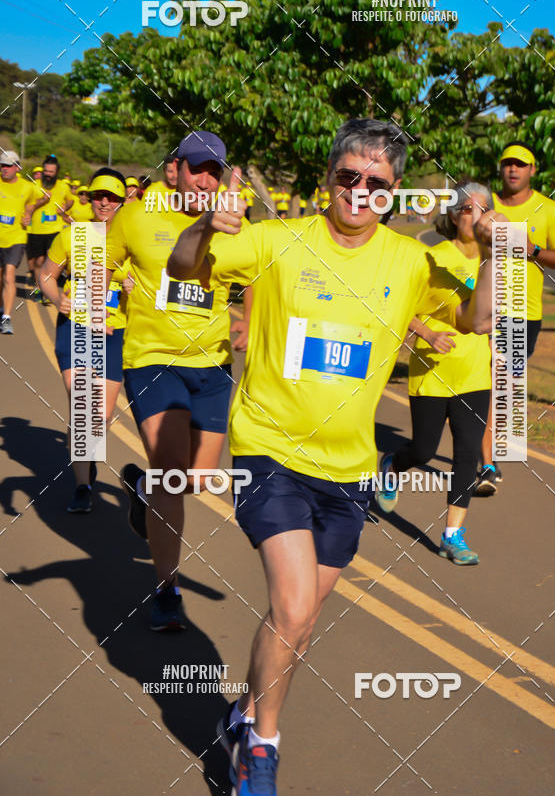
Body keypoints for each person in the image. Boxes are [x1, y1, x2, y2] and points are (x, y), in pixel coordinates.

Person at [168, 118, 501, 796]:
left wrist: (497, 255)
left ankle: (241, 714)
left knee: (299, 622)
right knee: (291, 608)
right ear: (328, 177)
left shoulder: (411, 263)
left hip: (350, 469)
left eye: (375, 183)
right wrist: (206, 227)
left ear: (393, 191)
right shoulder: (276, 239)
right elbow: (182, 266)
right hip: (269, 451)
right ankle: (262, 750)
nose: (359, 190)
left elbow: (481, 320)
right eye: (347, 176)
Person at [105, 131, 239, 632]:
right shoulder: (136, 216)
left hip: (214, 366)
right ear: (174, 170)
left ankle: (140, 490)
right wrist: (102, 297)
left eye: (215, 171)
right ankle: (166, 588)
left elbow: (253, 282)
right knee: (170, 474)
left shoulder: (234, 226)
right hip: (152, 359)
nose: (206, 179)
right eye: (198, 168)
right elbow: (102, 262)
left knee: (196, 481)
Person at [376, 183, 494, 565]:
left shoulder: (496, 262)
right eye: (466, 209)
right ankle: (393, 465)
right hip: (431, 370)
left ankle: (452, 535)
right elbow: (400, 306)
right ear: (455, 216)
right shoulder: (432, 257)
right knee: (424, 449)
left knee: (465, 457)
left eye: (483, 209)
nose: (474, 216)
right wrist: (426, 332)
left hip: (475, 374)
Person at [476, 141, 555, 493]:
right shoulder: (484, 204)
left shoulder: (548, 210)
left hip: (524, 313)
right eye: (507, 164)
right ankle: (485, 464)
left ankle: (485, 454)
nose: (513, 170)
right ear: (500, 169)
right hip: (485, 308)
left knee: (502, 390)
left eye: (521, 164)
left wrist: (531, 249)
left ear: (533, 170)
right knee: (489, 382)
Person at [40, 169, 129, 512]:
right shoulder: (72, 236)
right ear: (90, 198)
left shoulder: (131, 242)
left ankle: (87, 458)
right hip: (74, 329)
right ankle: (82, 485)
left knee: (100, 418)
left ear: (123, 201)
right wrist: (54, 296)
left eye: (112, 197)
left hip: (113, 333)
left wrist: (134, 290)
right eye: (98, 196)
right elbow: (47, 275)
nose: (104, 202)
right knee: (82, 410)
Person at [24, 155, 71, 302]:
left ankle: (49, 292)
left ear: (56, 172)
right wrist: (42, 201)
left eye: (51, 172)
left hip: (55, 230)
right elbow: (28, 206)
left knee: (52, 260)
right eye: (46, 171)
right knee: (37, 262)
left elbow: (70, 200)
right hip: (36, 230)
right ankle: (39, 289)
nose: (47, 174)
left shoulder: (63, 186)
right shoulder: (34, 185)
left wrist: (65, 207)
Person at [0, 151, 36, 334]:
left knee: (9, 276)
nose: (4, 169)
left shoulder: (27, 187)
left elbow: (44, 197)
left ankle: (6, 318)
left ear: (17, 167)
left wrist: (29, 211)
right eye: (2, 165)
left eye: (7, 166)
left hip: (16, 238)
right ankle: (2, 307)